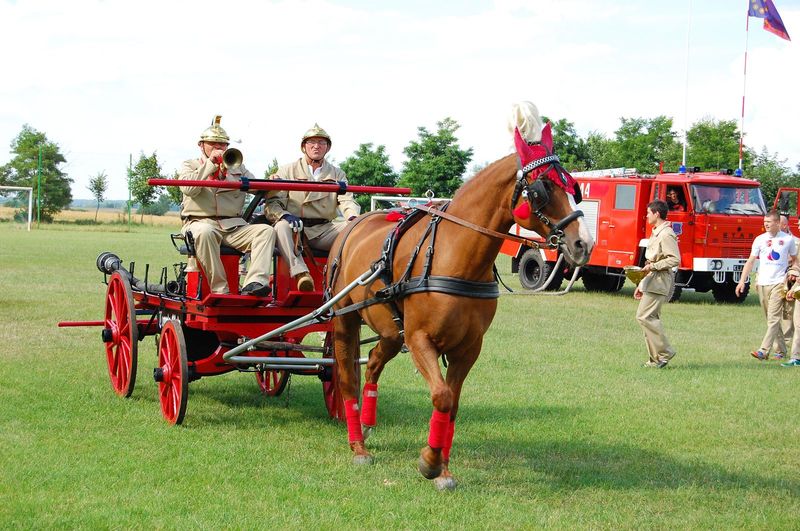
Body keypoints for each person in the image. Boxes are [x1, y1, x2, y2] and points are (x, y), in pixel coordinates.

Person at [178, 116, 276, 297]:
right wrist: (210, 164)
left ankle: (255, 282)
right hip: (199, 223)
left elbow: (257, 187)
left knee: (265, 231)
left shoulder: (237, 166)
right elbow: (188, 189)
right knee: (205, 232)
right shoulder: (189, 165)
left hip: (232, 226)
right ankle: (220, 290)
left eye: (223, 145)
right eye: (214, 144)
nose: (219, 148)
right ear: (201, 145)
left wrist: (270, 183)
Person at [264, 123, 361, 291]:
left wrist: (353, 218)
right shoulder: (288, 170)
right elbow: (273, 203)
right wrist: (285, 216)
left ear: (328, 148)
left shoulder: (337, 173)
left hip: (325, 229)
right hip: (295, 229)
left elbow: (347, 200)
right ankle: (301, 273)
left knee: (356, 230)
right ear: (304, 147)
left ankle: (355, 282)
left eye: (322, 143)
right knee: (280, 226)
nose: (317, 146)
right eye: (312, 142)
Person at [736, 209, 797, 360]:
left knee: (773, 318)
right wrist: (742, 281)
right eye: (764, 223)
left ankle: (763, 350)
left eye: (769, 222)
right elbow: (750, 261)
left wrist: (792, 275)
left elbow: (795, 258)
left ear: (777, 223)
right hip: (762, 283)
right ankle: (781, 351)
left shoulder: (788, 240)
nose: (766, 225)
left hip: (778, 283)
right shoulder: (759, 239)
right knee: (770, 319)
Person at [634, 200, 681, 368]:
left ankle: (665, 351)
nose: (646, 216)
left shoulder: (666, 234)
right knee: (648, 317)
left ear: (657, 214)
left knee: (645, 317)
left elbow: (674, 259)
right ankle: (655, 359)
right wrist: (641, 284)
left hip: (660, 279)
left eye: (648, 213)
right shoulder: (656, 232)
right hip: (652, 279)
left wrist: (653, 266)